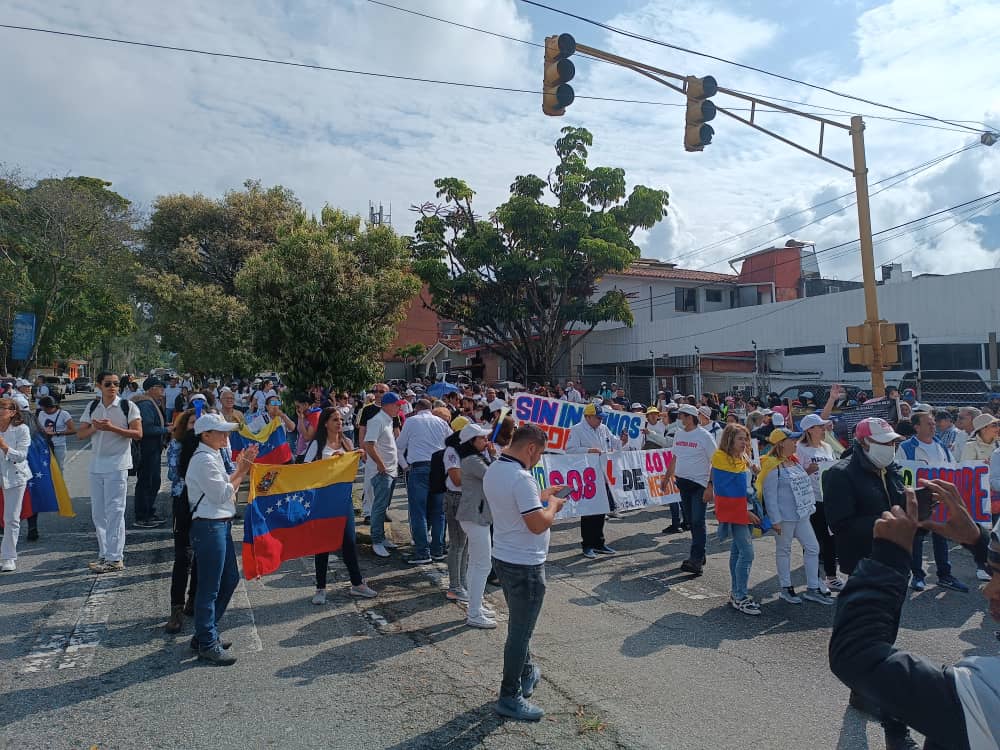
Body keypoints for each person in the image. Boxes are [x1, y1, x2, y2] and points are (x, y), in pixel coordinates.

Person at [829, 480, 998, 750]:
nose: (988, 590)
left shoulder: (986, 691)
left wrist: (888, 558)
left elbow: (855, 654)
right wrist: (978, 541)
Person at [484, 424, 569, 721]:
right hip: (525, 565)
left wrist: (542, 496)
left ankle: (528, 671)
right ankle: (509, 695)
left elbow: (515, 507)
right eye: (540, 453)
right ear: (531, 448)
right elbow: (536, 524)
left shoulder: (495, 468)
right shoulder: (521, 478)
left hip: (504, 557)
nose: (538, 460)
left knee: (520, 624)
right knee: (520, 633)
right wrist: (554, 506)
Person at [183, 413, 258, 665]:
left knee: (228, 578)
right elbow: (222, 493)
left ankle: (206, 632)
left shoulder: (211, 455)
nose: (226, 436)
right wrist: (242, 469)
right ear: (206, 435)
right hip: (209, 525)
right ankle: (206, 639)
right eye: (221, 432)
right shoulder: (203, 459)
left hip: (218, 523)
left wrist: (240, 469)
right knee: (210, 586)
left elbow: (227, 487)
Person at [304, 408, 378, 604]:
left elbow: (352, 471)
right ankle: (320, 588)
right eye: (335, 419)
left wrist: (355, 457)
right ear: (325, 423)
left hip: (343, 499)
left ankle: (357, 584)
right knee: (323, 544)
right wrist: (331, 463)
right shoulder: (317, 445)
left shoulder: (346, 442)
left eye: (341, 419)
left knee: (348, 541)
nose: (339, 422)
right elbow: (305, 470)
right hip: (322, 500)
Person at [757, 428, 834, 606]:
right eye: (791, 440)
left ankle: (813, 587)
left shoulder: (794, 461)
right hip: (784, 518)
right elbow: (769, 496)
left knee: (813, 548)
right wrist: (775, 520)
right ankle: (786, 588)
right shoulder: (771, 465)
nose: (795, 443)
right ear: (781, 443)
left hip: (802, 515)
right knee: (784, 551)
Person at [76, 372, 143, 573]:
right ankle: (105, 553)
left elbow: (138, 434)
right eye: (108, 384)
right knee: (98, 513)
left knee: (115, 510)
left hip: (117, 464)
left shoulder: (128, 406)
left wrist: (112, 428)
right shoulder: (93, 406)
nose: (112, 387)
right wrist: (96, 429)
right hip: (96, 465)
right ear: (99, 386)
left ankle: (115, 557)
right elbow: (80, 434)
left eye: (115, 384)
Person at [897, 410, 969, 593]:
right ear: (916, 427)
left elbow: (952, 469)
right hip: (919, 499)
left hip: (940, 498)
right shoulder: (906, 447)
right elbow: (902, 475)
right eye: (928, 423)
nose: (933, 426)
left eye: (933, 423)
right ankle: (918, 576)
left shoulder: (941, 446)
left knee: (941, 538)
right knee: (918, 539)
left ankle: (945, 576)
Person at [710, 423, 760, 615]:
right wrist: (744, 512)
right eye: (740, 438)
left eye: (746, 438)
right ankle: (740, 596)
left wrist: (754, 471)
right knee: (747, 554)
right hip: (737, 511)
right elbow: (725, 492)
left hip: (745, 508)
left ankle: (736, 593)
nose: (745, 442)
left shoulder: (743, 456)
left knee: (738, 551)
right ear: (729, 439)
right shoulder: (720, 458)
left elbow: (745, 484)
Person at [565, 402, 626, 558]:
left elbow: (614, 443)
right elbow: (570, 450)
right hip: (588, 476)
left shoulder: (603, 429)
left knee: (601, 509)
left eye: (601, 418)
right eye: (598, 418)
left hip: (604, 473)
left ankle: (599, 542)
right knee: (589, 511)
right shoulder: (577, 430)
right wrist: (588, 451)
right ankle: (587, 545)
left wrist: (623, 441)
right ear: (588, 417)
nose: (601, 420)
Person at [396, 398, 452, 565]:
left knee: (418, 511)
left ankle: (422, 552)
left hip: (419, 467)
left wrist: (405, 466)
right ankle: (437, 549)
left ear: (416, 408)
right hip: (439, 468)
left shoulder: (412, 421)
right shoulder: (441, 423)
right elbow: (452, 442)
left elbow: (399, 446)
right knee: (438, 512)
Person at [796, 413, 844, 592]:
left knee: (830, 539)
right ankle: (814, 579)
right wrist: (808, 470)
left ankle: (831, 577)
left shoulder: (826, 447)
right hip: (811, 500)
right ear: (809, 430)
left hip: (828, 499)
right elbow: (795, 475)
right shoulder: (800, 449)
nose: (824, 429)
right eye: (820, 427)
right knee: (813, 541)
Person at [457, 422, 497, 629]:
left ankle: (475, 606)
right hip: (475, 516)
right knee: (482, 564)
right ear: (471, 441)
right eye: (482, 438)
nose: (486, 440)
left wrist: (490, 455)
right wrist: (495, 456)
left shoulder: (474, 458)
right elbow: (496, 476)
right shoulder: (472, 460)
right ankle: (474, 612)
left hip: (475, 515)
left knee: (476, 564)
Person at [671, 404, 718, 575]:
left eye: (681, 416)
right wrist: (667, 477)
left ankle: (695, 560)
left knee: (698, 521)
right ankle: (700, 553)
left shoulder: (704, 436)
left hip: (699, 485)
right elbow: (675, 456)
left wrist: (710, 486)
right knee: (691, 521)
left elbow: (716, 461)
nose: (679, 419)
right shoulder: (679, 434)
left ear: (689, 417)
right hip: (683, 483)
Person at [165, 409, 198, 634]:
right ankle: (175, 608)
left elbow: (227, 468)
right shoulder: (176, 446)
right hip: (183, 501)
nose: (196, 427)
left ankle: (193, 600)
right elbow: (173, 475)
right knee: (183, 555)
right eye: (192, 423)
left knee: (201, 555)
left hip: (205, 504)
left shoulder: (213, 446)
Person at [365, 392, 402, 558]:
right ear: (387, 405)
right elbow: (369, 444)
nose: (399, 407)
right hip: (382, 472)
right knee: (379, 507)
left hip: (390, 471)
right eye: (396, 404)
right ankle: (377, 540)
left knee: (383, 507)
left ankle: (381, 537)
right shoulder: (377, 421)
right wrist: (380, 464)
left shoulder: (388, 420)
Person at [132, 377, 170, 528]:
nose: (162, 390)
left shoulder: (151, 402)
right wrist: (166, 430)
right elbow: (146, 429)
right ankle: (142, 516)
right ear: (151, 389)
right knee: (147, 482)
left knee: (153, 481)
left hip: (153, 448)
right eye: (160, 387)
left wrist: (165, 426)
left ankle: (149, 512)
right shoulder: (146, 404)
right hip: (147, 449)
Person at [0, 397, 32, 572]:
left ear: (12, 412)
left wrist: (4, 447)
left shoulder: (21, 429)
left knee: (11, 518)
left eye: (2, 407)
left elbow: (21, 456)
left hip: (15, 476)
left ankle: (8, 557)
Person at [36, 395, 75, 468]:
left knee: (58, 467)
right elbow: (38, 427)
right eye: (42, 408)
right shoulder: (41, 414)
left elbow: (73, 430)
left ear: (51, 407)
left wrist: (56, 433)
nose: (44, 410)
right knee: (46, 467)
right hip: (45, 445)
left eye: (45, 409)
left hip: (58, 445)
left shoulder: (64, 414)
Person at [293, 392, 321, 463]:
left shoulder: (315, 415)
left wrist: (301, 419)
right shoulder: (303, 415)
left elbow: (307, 437)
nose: (296, 409)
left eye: (298, 406)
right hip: (301, 451)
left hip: (308, 453)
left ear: (305, 404)